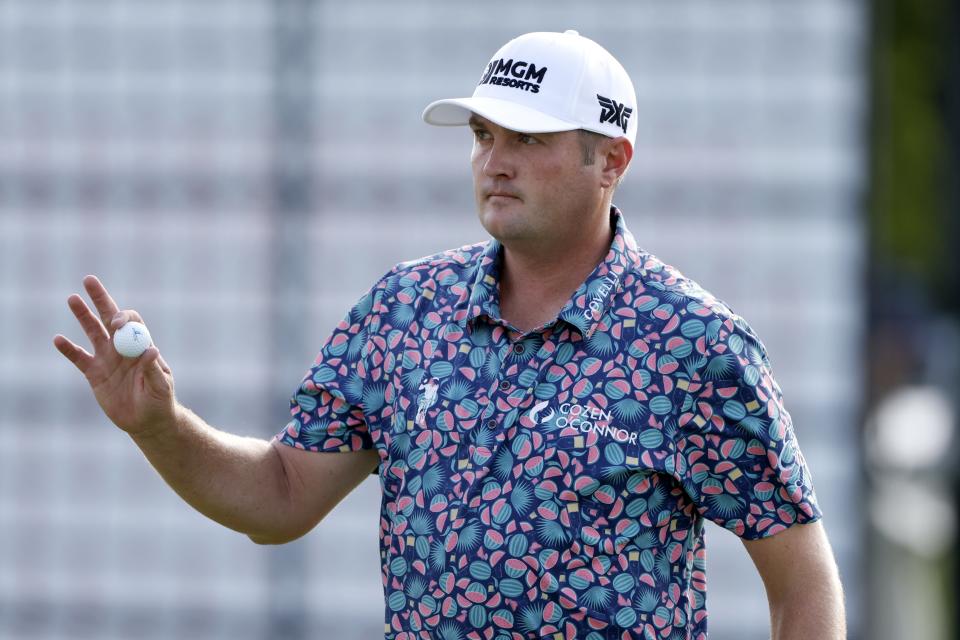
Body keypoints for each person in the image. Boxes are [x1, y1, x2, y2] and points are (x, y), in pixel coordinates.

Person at [54, 30, 845, 640]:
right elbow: (282, 497)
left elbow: (803, 585)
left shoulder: (693, 344)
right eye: (483, 136)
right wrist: (161, 427)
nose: (494, 162)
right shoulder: (404, 309)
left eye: (528, 140)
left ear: (610, 160)